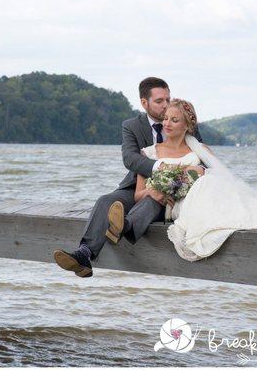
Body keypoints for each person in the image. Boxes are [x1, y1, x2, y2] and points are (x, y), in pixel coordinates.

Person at [141, 99, 257, 261]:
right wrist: (159, 189)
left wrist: (197, 173)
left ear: (187, 126)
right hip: (179, 203)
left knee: (209, 181)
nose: (167, 123)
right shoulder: (150, 153)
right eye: (165, 118)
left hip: (204, 196)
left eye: (174, 120)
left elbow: (220, 174)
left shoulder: (200, 150)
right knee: (205, 184)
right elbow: (138, 193)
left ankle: (249, 215)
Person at [52, 77, 203, 277]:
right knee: (106, 200)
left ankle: (124, 226)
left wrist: (171, 185)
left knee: (152, 201)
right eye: (159, 101)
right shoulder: (131, 126)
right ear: (144, 103)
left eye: (168, 99)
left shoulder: (184, 122)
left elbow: (200, 162)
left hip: (172, 194)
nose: (166, 106)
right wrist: (160, 169)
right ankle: (84, 254)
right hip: (136, 186)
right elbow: (131, 159)